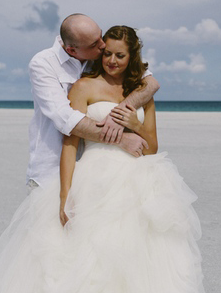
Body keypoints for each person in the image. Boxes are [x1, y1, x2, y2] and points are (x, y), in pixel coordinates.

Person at [0, 26, 205, 293]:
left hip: (139, 181)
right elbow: (70, 142)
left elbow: (152, 147)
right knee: (90, 258)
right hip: (96, 178)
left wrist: (135, 125)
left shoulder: (141, 91)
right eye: (107, 53)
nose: (112, 61)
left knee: (139, 257)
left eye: (120, 55)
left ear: (132, 57)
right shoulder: (83, 86)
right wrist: (65, 195)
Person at [26, 13, 159, 188]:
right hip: (52, 170)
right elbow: (66, 119)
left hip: (116, 173)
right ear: (72, 50)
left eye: (100, 36)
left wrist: (119, 114)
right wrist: (120, 138)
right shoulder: (43, 64)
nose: (103, 45)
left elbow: (150, 83)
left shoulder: (98, 57)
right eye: (96, 44)